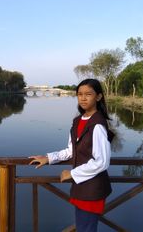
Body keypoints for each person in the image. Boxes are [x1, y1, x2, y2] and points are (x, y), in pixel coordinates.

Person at [29, 78, 114, 232]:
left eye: (88, 94)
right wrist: (48, 158)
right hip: (82, 187)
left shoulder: (98, 125)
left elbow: (102, 162)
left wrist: (72, 173)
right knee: (83, 226)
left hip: (92, 188)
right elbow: (71, 150)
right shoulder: (78, 121)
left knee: (86, 228)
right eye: (80, 94)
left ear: (99, 97)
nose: (83, 98)